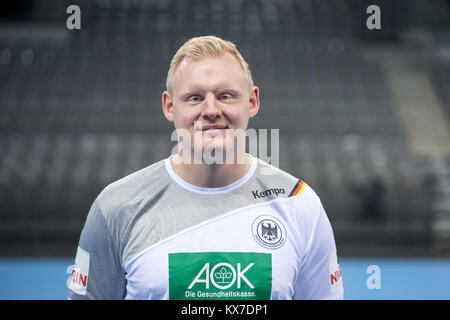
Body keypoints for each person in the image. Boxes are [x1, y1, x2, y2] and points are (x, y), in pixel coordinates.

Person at [68, 35, 343, 300]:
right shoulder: (116, 207)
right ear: (169, 106)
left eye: (225, 95)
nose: (211, 110)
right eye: (195, 98)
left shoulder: (300, 204)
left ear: (252, 102)